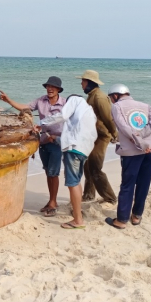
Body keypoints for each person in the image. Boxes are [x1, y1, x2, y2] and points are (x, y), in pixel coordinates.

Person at [0, 77, 66, 217]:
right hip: (43, 141)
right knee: (48, 172)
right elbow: (25, 107)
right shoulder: (41, 100)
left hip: (57, 143)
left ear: (58, 89)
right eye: (48, 86)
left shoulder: (65, 103)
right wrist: (8, 100)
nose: (50, 89)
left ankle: (53, 202)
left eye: (53, 87)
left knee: (54, 173)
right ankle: (51, 201)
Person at [36, 95, 97, 229]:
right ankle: (77, 213)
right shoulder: (88, 111)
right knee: (76, 182)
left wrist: (41, 123)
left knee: (72, 183)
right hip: (84, 150)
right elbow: (75, 133)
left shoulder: (74, 100)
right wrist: (56, 139)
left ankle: (77, 220)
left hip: (74, 150)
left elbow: (62, 116)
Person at [104, 84, 151, 230]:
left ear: (116, 95)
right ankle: (136, 216)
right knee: (144, 183)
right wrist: (142, 136)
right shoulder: (145, 105)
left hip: (132, 151)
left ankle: (121, 220)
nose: (111, 100)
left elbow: (124, 128)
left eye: (111, 97)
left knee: (127, 185)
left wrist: (139, 141)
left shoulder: (117, 107)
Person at [75, 70, 118, 204]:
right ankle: (89, 195)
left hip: (101, 136)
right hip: (92, 136)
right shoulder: (91, 95)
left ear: (89, 82)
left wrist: (114, 134)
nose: (81, 84)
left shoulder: (99, 97)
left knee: (95, 168)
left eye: (83, 81)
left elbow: (109, 118)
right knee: (87, 166)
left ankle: (110, 198)